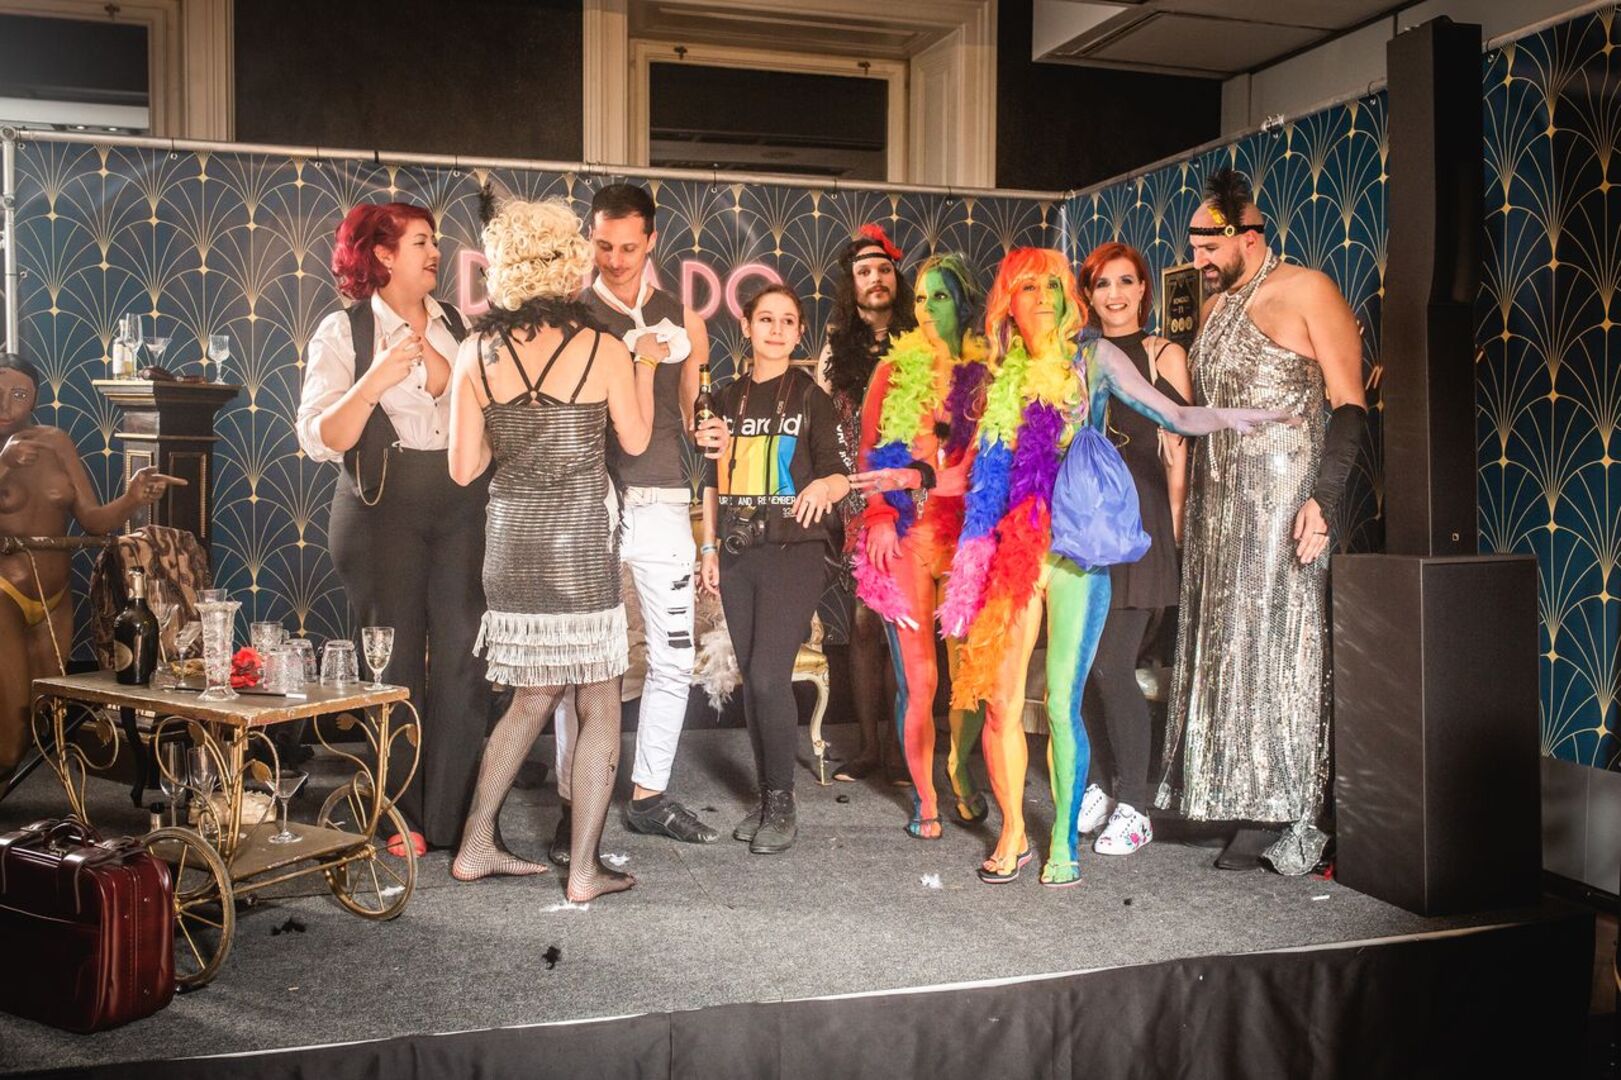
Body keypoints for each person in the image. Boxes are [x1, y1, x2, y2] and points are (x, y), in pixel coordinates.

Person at [942, 248, 1286, 887]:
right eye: (1027, 288)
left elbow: (1172, 414)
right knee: (1001, 705)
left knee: (1064, 704)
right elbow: (972, 473)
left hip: (1076, 551)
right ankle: (1014, 832)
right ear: (1008, 302)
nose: (1042, 299)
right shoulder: (994, 373)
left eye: (1052, 287)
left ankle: (1062, 843)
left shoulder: (1092, 358)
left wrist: (1234, 418)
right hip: (1014, 553)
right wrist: (905, 481)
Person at [1157, 169, 1368, 876]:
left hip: (1284, 501)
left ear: (1248, 236)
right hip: (1218, 504)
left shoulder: (1308, 290)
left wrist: (1324, 500)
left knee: (1283, 646)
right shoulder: (1217, 306)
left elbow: (1349, 404)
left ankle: (1289, 806)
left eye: (1207, 246)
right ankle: (1233, 791)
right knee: (1228, 643)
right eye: (1193, 247)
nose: (1197, 260)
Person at [447, 196, 655, 902]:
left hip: (510, 542)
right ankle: (583, 871)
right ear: (570, 265)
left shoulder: (474, 352)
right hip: (577, 546)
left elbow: (464, 470)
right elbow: (634, 441)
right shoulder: (603, 348)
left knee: (531, 696)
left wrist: (514, 439)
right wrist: (646, 367)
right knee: (599, 698)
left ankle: (475, 845)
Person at [297, 202, 488, 856]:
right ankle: (399, 817)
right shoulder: (343, 331)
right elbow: (323, 437)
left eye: (435, 242)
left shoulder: (459, 325)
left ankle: (455, 816)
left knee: (464, 656)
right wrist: (373, 381)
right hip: (380, 509)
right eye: (421, 242)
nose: (436, 253)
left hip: (461, 503)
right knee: (395, 662)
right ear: (382, 253)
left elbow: (483, 415)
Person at [549, 182, 718, 866]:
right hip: (588, 505)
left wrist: (710, 431)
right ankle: (571, 804)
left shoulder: (685, 319)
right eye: (603, 246)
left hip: (663, 503)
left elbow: (695, 411)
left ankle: (648, 796)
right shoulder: (569, 317)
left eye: (628, 247)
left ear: (651, 241)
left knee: (673, 657)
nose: (615, 260)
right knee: (581, 664)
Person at [699, 284, 852, 854]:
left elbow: (841, 475)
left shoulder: (811, 398)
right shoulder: (724, 398)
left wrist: (821, 486)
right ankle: (765, 798)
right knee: (752, 677)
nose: (777, 329)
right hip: (739, 552)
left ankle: (783, 801)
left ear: (799, 332)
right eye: (766, 319)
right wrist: (709, 548)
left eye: (788, 321)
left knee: (768, 676)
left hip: (796, 550)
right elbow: (710, 481)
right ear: (747, 326)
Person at [847, 253, 991, 838]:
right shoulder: (891, 372)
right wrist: (880, 515)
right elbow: (869, 453)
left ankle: (959, 767)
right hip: (905, 539)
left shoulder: (988, 378)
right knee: (919, 679)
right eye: (922, 297)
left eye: (942, 296)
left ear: (965, 304)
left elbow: (987, 467)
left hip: (964, 539)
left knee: (969, 674)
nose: (928, 308)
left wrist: (929, 478)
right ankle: (925, 798)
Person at [0, 353, 181, 777]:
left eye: (19, 394)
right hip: (4, 593)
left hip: (54, 598)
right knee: (10, 738)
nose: (6, 405)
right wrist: (4, 462)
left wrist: (133, 498)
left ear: (35, 398)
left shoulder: (56, 442)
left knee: (44, 720)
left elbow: (94, 520)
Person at [1073, 242, 1195, 856]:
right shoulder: (1079, 355)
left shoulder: (1163, 353)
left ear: (1144, 288)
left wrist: (1172, 537)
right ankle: (1096, 785)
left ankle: (1136, 806)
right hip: (1087, 527)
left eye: (1126, 282)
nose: (1115, 294)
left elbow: (1179, 457)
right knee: (1082, 667)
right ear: (1088, 295)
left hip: (1142, 528)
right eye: (1102, 284)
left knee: (1111, 664)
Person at [818, 225, 915, 784]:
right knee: (863, 624)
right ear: (850, 284)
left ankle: (905, 748)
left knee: (905, 621)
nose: (875, 278)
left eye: (883, 269)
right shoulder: (837, 346)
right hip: (859, 495)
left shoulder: (921, 338)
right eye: (864, 271)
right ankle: (869, 747)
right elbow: (824, 420)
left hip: (913, 493)